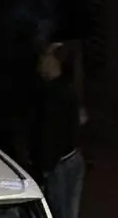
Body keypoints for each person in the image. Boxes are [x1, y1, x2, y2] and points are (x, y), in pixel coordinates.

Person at [30, 44, 83, 218]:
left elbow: (51, 134)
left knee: (59, 212)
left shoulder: (55, 94)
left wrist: (45, 168)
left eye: (42, 59)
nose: (39, 65)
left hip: (59, 164)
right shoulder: (64, 89)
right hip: (69, 158)